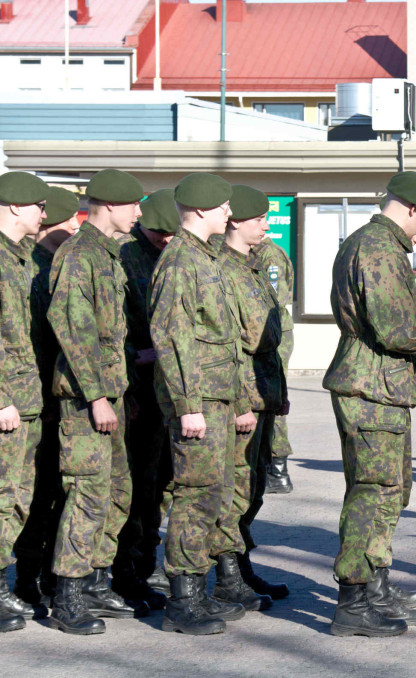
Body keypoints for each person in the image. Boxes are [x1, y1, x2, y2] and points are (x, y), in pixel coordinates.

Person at [323, 171, 416, 638]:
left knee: (389, 491)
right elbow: (394, 329)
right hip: (371, 389)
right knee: (372, 492)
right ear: (413, 210)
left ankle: (375, 586)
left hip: (380, 383)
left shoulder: (368, 243)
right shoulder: (379, 248)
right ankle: (353, 601)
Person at [149, 173, 250, 635]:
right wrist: (188, 405)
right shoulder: (179, 262)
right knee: (194, 496)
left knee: (213, 494)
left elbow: (223, 340)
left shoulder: (205, 257)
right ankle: (182, 599)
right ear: (203, 209)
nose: (230, 213)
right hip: (199, 401)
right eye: (224, 206)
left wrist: (238, 399)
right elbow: (173, 337)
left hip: (218, 397)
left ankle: (198, 589)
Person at [47, 169, 146, 634]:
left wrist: (123, 390)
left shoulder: (109, 255)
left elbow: (113, 336)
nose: (139, 213)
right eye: (133, 204)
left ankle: (95, 581)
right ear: (109, 205)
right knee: (86, 494)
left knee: (116, 492)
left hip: (112, 395)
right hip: (88, 401)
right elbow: (74, 330)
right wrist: (97, 396)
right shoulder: (78, 255)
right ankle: (67, 594)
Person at [216, 185, 289, 605]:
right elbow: (228, 345)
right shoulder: (222, 269)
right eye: (259, 219)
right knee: (235, 489)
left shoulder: (253, 265)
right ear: (235, 221)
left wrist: (278, 393)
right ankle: (227, 576)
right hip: (242, 397)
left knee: (254, 486)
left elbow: (270, 340)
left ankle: (241, 567)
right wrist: (241, 401)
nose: (266, 226)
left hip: (263, 394)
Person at [12, 185, 79, 611]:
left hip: (53, 398)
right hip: (27, 398)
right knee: (28, 493)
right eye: (67, 219)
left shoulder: (56, 264)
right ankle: (24, 577)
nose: (74, 225)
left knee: (54, 490)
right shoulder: (24, 265)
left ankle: (43, 574)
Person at [112, 188, 178, 610]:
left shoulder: (177, 255)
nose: (164, 239)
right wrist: (134, 356)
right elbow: (108, 325)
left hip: (169, 389)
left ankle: (146, 564)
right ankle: (125, 571)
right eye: (158, 232)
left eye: (171, 233)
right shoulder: (124, 256)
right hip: (135, 385)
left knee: (159, 484)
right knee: (134, 486)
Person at [0, 171, 49, 634]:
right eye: (39, 205)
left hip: (26, 398)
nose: (44, 214)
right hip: (7, 403)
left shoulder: (21, 258)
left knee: (15, 498)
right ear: (15, 206)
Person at [254, 235, 296, 495]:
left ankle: (278, 471)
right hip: (262, 333)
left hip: (271, 334)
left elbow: (273, 299)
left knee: (272, 400)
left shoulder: (268, 254)